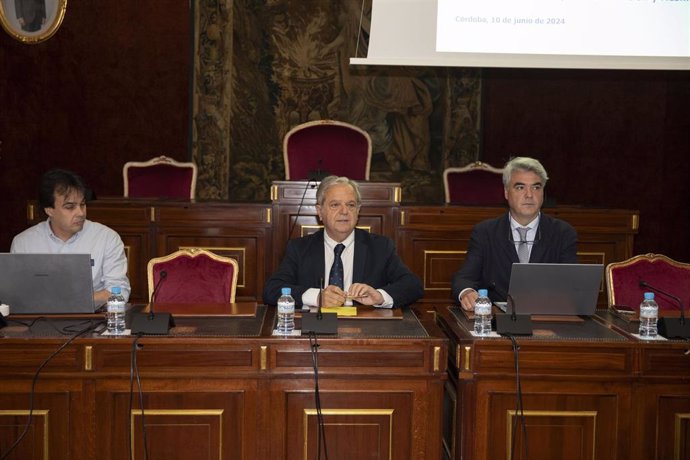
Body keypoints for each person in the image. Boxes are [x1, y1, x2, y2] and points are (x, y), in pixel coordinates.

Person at [263, 175, 423, 308]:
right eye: (335, 205)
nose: (344, 211)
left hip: (364, 334)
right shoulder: (299, 248)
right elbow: (272, 289)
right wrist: (317, 297)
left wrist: (379, 296)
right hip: (314, 332)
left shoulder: (380, 247)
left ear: (358, 211)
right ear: (320, 212)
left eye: (351, 205)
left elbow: (413, 285)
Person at [452, 157, 577, 311]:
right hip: (497, 320)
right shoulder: (485, 232)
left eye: (536, 187)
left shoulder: (563, 233)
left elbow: (572, 286)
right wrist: (467, 292)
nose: (529, 195)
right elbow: (464, 278)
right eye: (520, 187)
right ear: (506, 192)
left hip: (547, 317)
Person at [11, 169, 131, 304]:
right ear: (49, 210)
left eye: (82, 204)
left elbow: (120, 291)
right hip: (39, 321)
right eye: (70, 207)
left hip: (93, 320)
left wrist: (70, 302)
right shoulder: (24, 243)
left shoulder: (107, 238)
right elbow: (17, 296)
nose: (80, 213)